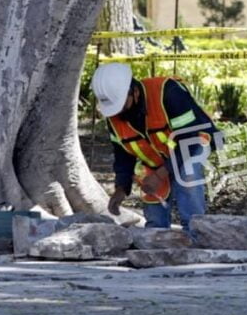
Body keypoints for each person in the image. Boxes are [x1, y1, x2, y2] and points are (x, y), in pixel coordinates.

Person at [92, 62, 217, 228]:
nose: (118, 113)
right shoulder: (114, 115)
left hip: (193, 143)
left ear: (134, 92)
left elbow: (189, 139)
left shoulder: (168, 92)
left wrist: (160, 175)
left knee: (187, 174)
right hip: (157, 158)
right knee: (155, 216)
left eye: (121, 106)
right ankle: (156, 236)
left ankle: (196, 232)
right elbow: (123, 155)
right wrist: (121, 188)